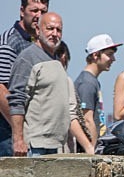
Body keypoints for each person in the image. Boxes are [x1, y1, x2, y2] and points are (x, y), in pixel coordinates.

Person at [7, 12, 93, 155]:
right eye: (50, 28)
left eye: (58, 30)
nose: (55, 33)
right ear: (38, 30)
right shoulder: (27, 58)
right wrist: (18, 140)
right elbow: (17, 100)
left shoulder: (56, 62)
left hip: (55, 145)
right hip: (34, 146)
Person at [0, 0, 49, 156]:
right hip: (9, 133)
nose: (38, 15)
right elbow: (2, 89)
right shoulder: (10, 42)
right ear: (22, 11)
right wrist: (19, 133)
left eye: (43, 11)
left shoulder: (38, 43)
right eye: (34, 10)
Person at [75, 33, 122, 145]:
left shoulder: (92, 81)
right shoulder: (87, 83)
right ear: (96, 55)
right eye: (109, 55)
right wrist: (92, 149)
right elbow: (87, 120)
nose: (113, 59)